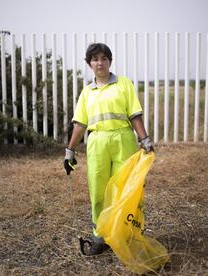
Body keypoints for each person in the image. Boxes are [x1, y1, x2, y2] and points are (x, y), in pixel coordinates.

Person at [63, 43, 154, 256]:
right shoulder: (87, 92)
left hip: (123, 139)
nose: (100, 63)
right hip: (97, 143)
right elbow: (79, 124)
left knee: (126, 189)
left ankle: (127, 236)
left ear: (110, 61)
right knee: (99, 192)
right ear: (89, 64)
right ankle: (100, 238)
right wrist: (70, 150)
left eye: (104, 58)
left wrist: (145, 139)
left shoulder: (124, 84)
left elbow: (134, 114)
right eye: (95, 59)